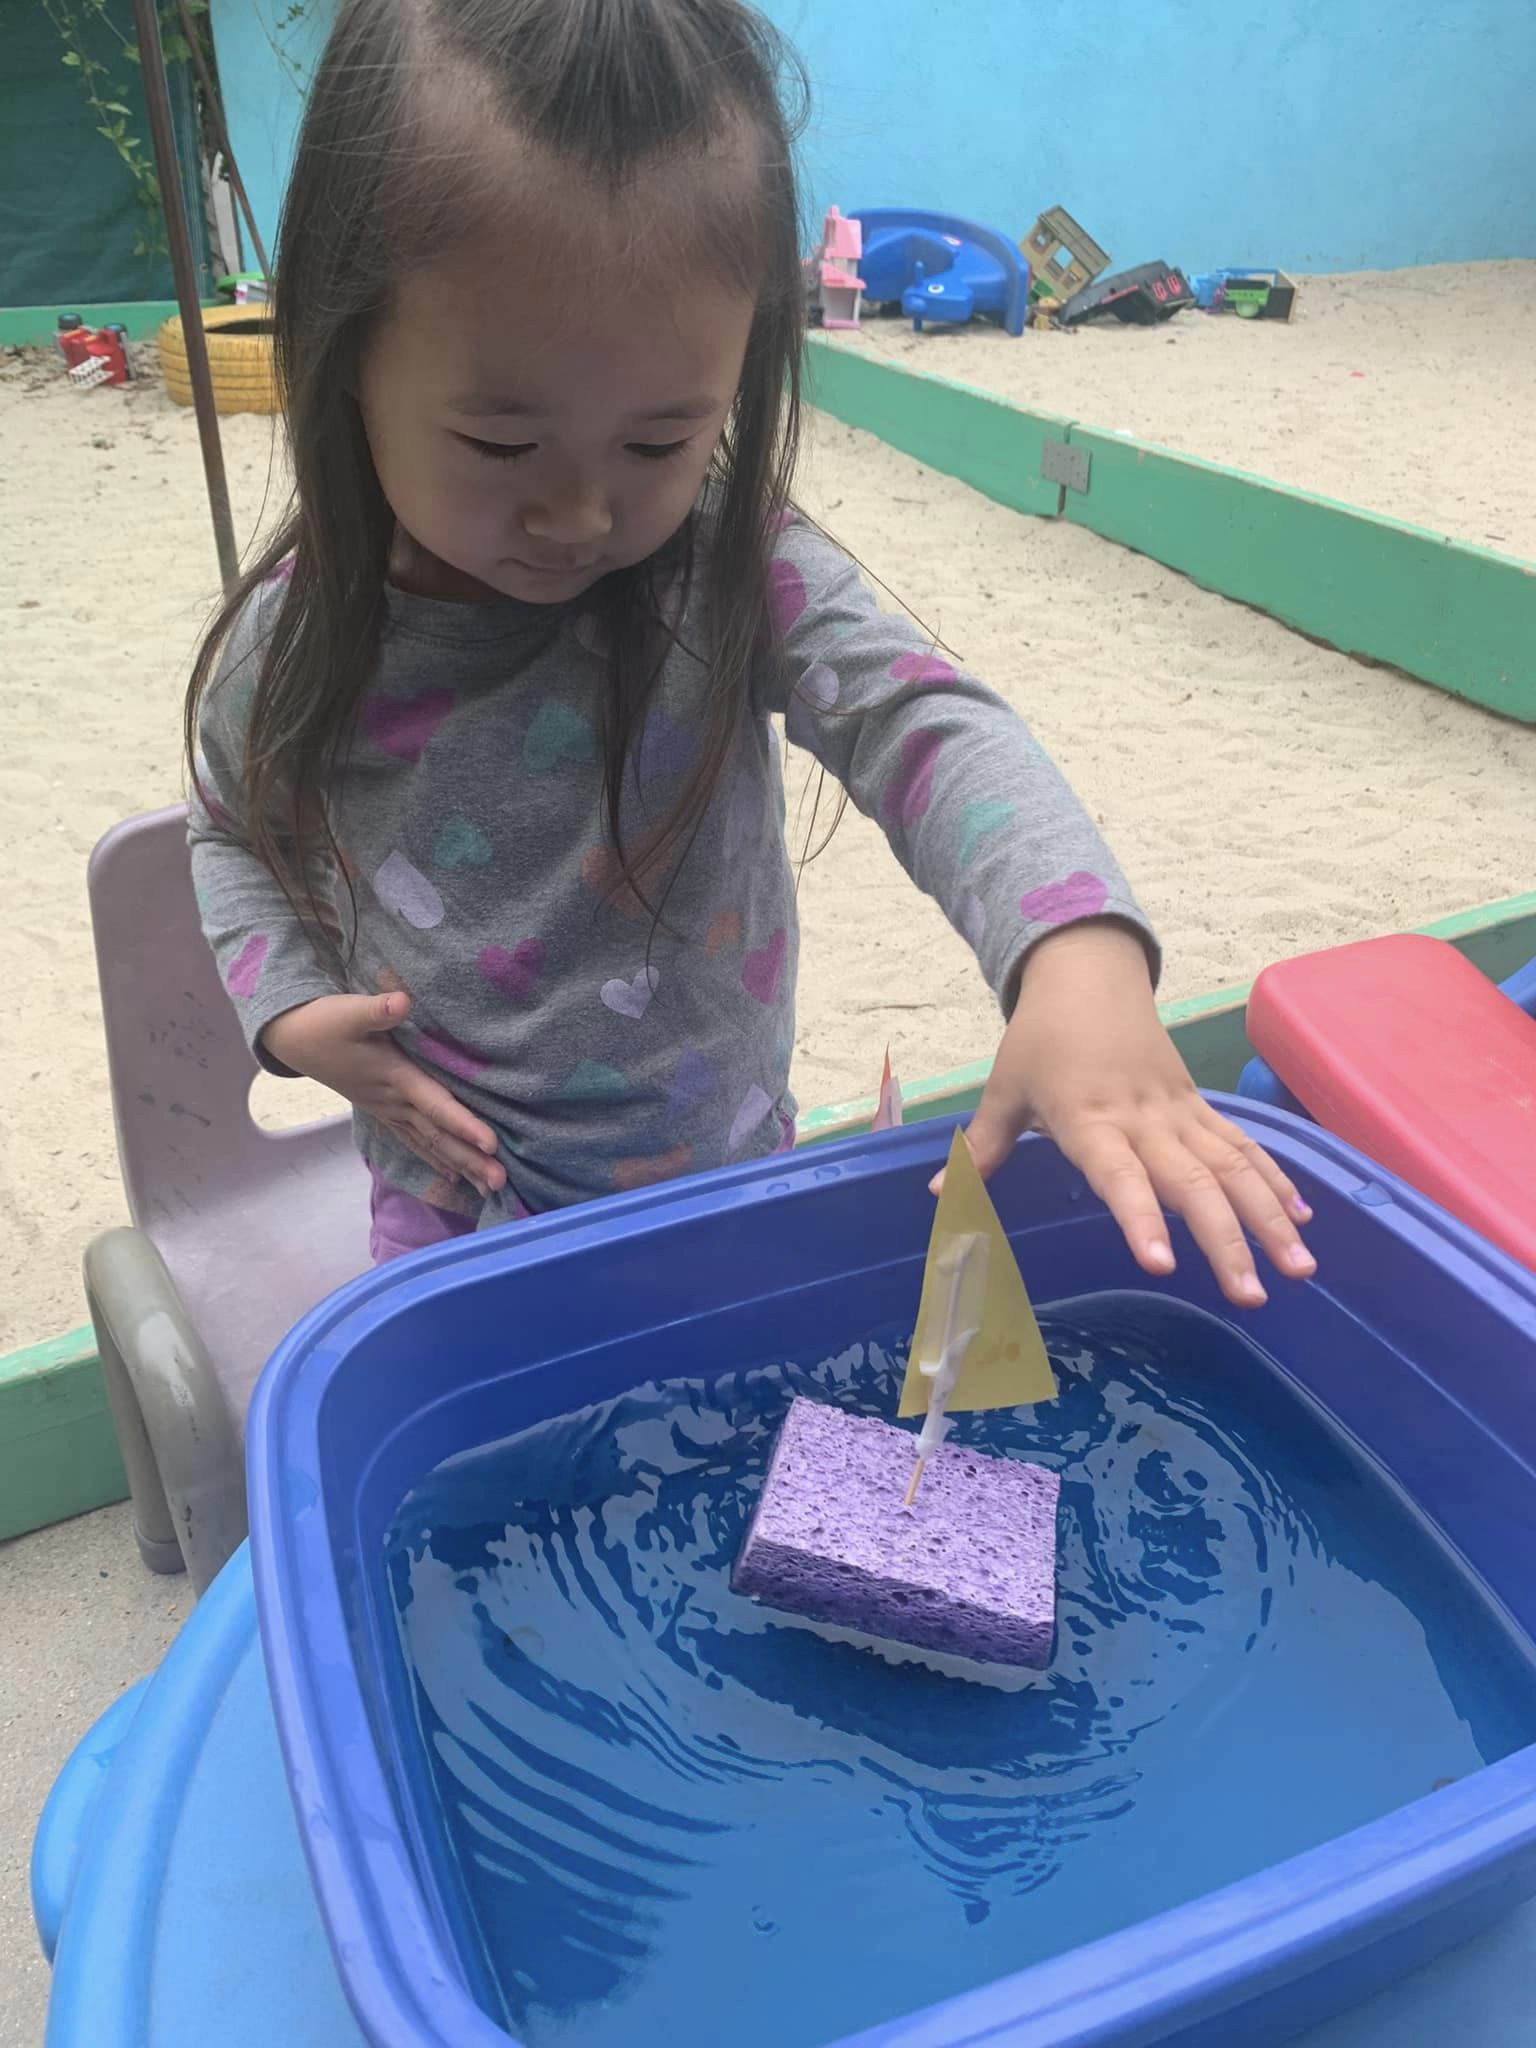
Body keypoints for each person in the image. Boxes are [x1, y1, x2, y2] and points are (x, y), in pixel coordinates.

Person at [186, 0, 1315, 1305]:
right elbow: (229, 828)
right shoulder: (298, 639)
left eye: (659, 442)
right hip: (450, 1209)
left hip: (726, 1179)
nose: (580, 515)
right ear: (341, 357)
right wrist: (292, 1020)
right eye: (502, 445)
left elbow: (917, 722)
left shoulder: (729, 570)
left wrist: (1076, 955)